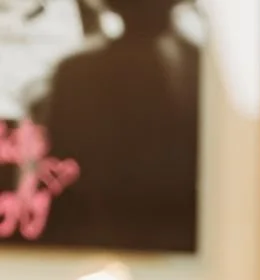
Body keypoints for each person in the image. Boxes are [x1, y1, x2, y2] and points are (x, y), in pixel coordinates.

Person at [34, 0, 200, 252]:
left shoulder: (77, 73)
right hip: (102, 241)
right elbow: (61, 176)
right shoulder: (77, 73)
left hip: (153, 241)